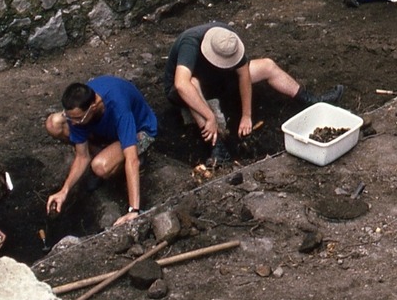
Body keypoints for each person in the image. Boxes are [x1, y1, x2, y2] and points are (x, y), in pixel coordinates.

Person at [165, 23, 344, 160]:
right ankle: (218, 147)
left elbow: (243, 75)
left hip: (218, 80)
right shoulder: (191, 43)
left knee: (267, 65)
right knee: (192, 84)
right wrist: (210, 117)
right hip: (187, 89)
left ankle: (312, 100)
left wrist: (246, 115)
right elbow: (181, 85)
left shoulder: (229, 39)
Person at [45, 76, 158, 225]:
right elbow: (82, 156)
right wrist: (64, 191)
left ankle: (124, 161)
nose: (73, 123)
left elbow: (132, 160)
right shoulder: (78, 114)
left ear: (92, 108)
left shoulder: (118, 106)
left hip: (139, 130)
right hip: (108, 132)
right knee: (53, 123)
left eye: (77, 119)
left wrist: (134, 211)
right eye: (70, 117)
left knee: (100, 166)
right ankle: (109, 153)